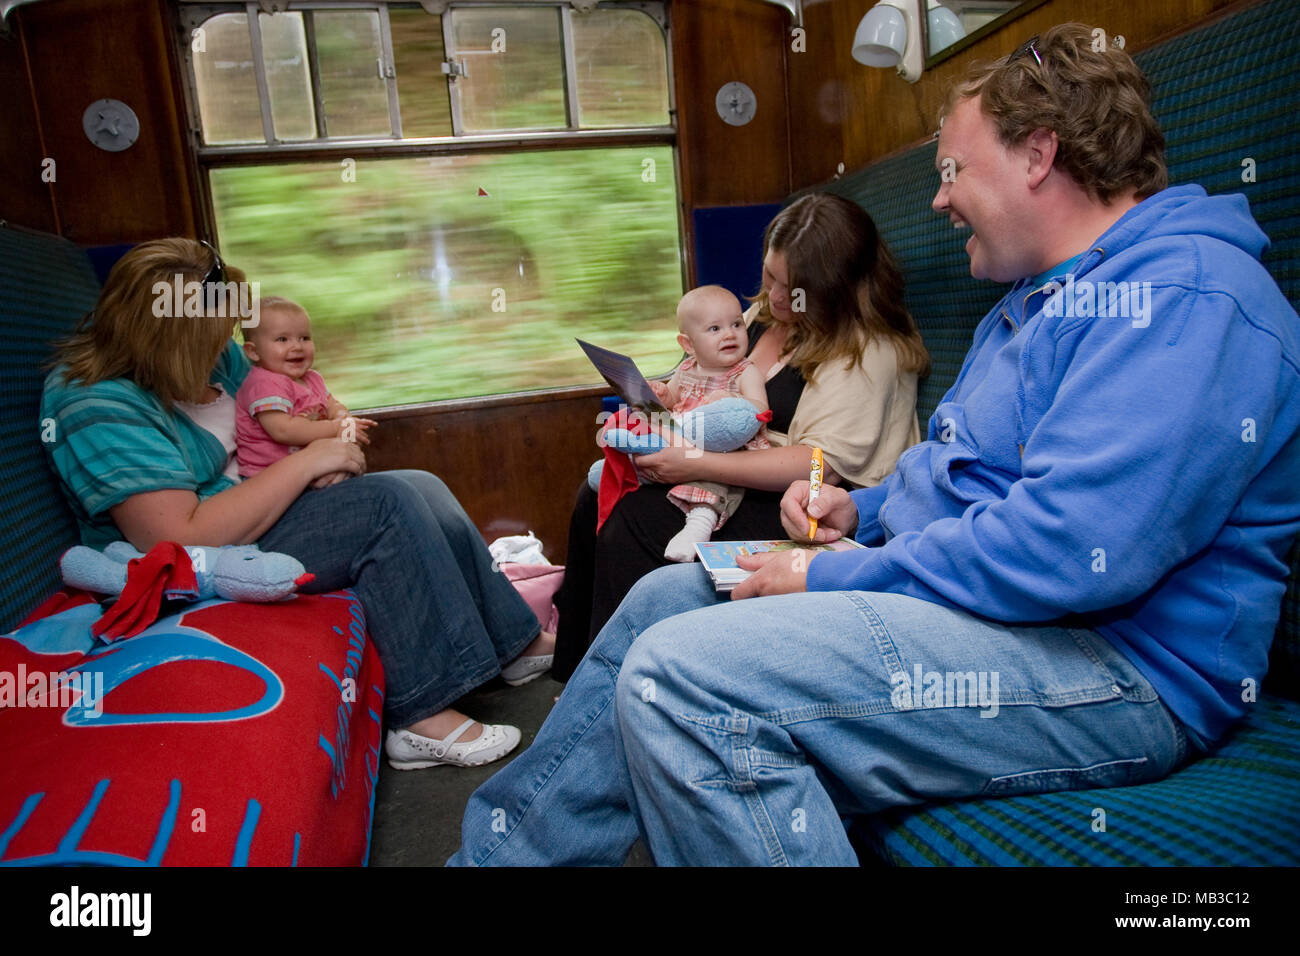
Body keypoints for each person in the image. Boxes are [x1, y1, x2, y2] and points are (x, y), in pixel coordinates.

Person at [449, 23, 1300, 864]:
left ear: (1038, 156)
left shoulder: (1184, 298)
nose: (939, 198)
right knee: (659, 607)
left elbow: (1070, 548)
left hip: (1121, 669)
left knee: (681, 679)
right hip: (1007, 616)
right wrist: (865, 505)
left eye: (952, 170)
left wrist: (833, 568)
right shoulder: (1037, 301)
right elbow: (960, 474)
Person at [40, 238, 555, 771]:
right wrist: (305, 463)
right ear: (167, 340)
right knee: (385, 508)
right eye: (213, 338)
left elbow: (288, 409)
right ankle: (418, 713)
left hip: (259, 507)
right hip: (205, 552)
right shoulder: (95, 402)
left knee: (418, 483)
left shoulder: (216, 364)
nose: (229, 349)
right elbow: (174, 537)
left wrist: (327, 447)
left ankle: (515, 644)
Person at [553, 193, 929, 678]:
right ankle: (578, 668)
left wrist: (691, 463)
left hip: (815, 509)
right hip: (737, 476)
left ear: (831, 289)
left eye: (789, 288)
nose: (770, 296)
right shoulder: (762, 321)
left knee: (638, 517)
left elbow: (816, 468)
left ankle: (621, 687)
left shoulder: (868, 353)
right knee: (597, 493)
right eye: (769, 276)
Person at [591, 285, 773, 562]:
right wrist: (662, 395)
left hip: (721, 452)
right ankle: (626, 470)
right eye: (715, 329)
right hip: (680, 438)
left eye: (737, 324)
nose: (729, 334)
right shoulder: (687, 368)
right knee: (646, 432)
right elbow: (674, 398)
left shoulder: (745, 371)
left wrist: (733, 402)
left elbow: (760, 409)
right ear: (688, 345)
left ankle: (700, 524)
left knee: (714, 482)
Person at [235, 296, 375, 479]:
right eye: (282, 339)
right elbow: (284, 430)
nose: (297, 346)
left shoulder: (312, 378)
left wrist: (344, 421)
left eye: (304, 338)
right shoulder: (263, 384)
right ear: (253, 351)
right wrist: (335, 428)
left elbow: (333, 405)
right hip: (272, 479)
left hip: (309, 466)